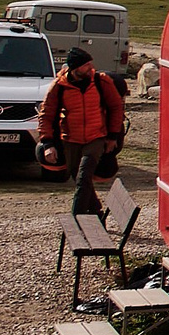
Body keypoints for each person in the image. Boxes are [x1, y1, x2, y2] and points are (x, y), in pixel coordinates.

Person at [41, 46, 126, 217]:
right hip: (70, 139)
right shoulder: (59, 86)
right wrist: (48, 143)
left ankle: (76, 220)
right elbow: (46, 114)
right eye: (86, 65)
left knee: (83, 177)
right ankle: (96, 211)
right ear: (75, 68)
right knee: (80, 178)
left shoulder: (101, 81)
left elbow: (116, 108)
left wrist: (112, 137)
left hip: (96, 138)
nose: (90, 67)